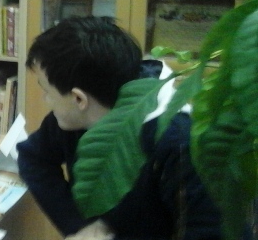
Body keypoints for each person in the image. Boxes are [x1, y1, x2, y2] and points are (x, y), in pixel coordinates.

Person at [16, 16, 222, 240]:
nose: (46, 100)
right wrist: (80, 226)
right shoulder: (79, 113)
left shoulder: (180, 142)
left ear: (79, 99)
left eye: (47, 92)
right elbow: (34, 157)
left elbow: (212, 231)